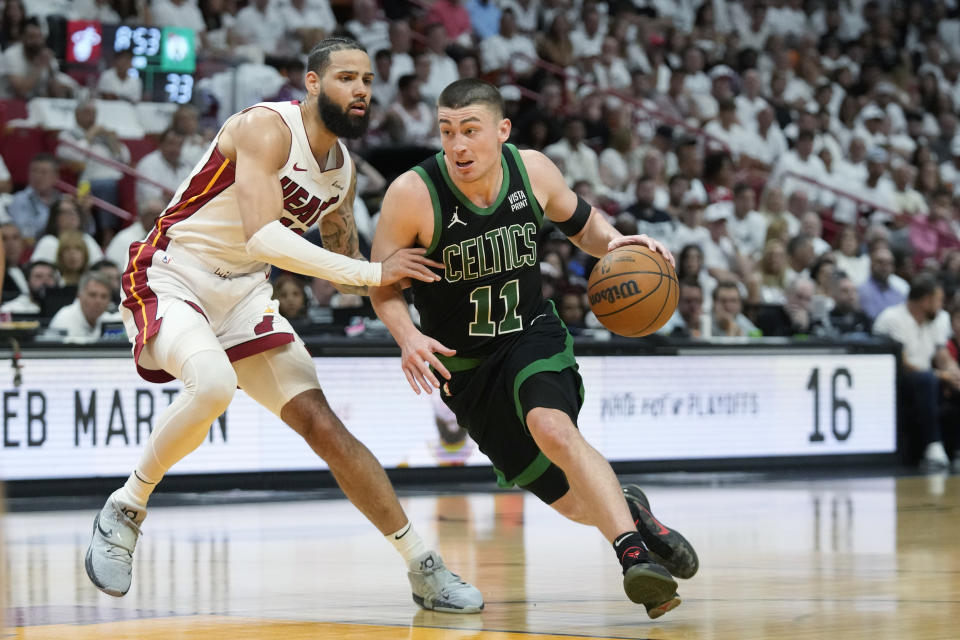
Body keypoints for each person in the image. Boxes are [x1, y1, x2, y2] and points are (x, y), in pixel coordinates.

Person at [84, 37, 483, 614]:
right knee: (214, 385)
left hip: (244, 296)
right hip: (174, 274)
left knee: (327, 429)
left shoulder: (342, 175)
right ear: (314, 84)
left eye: (368, 81)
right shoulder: (264, 128)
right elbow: (264, 237)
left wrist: (422, 286)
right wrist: (374, 268)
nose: (362, 91)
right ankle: (124, 507)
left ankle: (424, 565)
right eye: (347, 78)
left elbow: (352, 278)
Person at [370, 78, 698, 619]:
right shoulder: (412, 194)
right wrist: (407, 337)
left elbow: (583, 225)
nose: (457, 145)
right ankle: (633, 513)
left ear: (502, 131)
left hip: (531, 334)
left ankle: (634, 557)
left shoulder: (533, 170)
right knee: (568, 502)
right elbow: (381, 284)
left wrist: (618, 243)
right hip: (467, 370)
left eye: (470, 131)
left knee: (552, 426)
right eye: (447, 131)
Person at [48, 269, 117, 339]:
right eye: (92, 295)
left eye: (104, 296)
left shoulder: (107, 318)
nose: (98, 301)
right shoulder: (64, 320)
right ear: (79, 296)